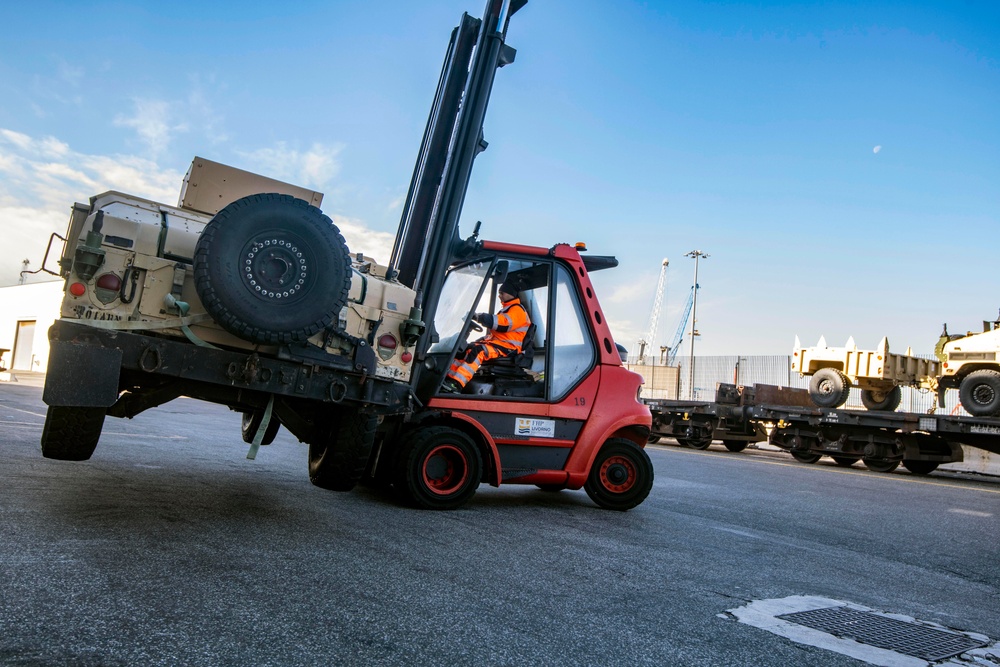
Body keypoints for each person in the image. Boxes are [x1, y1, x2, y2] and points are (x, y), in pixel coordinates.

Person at [441, 280, 531, 393]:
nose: (499, 296)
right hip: (500, 344)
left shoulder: (518, 310)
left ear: (510, 294)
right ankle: (449, 379)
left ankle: (457, 384)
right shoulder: (507, 309)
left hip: (509, 348)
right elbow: (498, 332)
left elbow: (503, 324)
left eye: (502, 293)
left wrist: (480, 317)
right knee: (467, 348)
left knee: (479, 351)